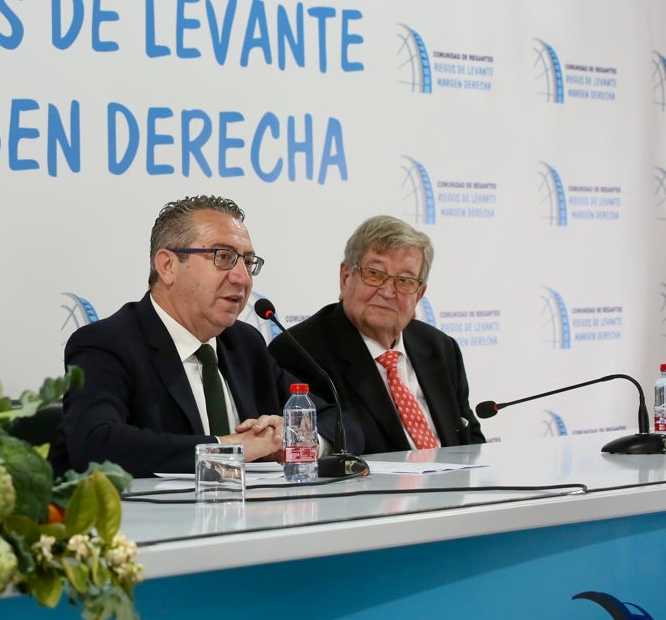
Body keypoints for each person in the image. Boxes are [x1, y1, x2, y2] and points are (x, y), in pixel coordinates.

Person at [54, 194, 340, 478]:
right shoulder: (106, 344)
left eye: (248, 261)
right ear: (167, 266)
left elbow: (338, 420)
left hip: (256, 518)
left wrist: (297, 438)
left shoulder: (244, 343)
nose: (242, 277)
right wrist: (228, 447)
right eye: (223, 257)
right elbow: (95, 444)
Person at [269, 215, 484, 455]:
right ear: (345, 277)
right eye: (374, 274)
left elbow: (471, 440)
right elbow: (325, 446)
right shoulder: (301, 352)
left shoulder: (440, 348)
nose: (388, 291)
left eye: (404, 281)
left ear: (419, 294)